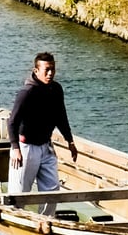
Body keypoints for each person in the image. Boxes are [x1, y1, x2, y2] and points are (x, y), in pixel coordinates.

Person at [7, 52, 79, 196]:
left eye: (53, 69)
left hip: (46, 146)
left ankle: (45, 218)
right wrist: (15, 148)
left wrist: (70, 141)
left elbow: (61, 117)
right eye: (47, 70)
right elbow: (12, 121)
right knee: (19, 193)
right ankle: (16, 216)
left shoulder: (56, 89)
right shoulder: (26, 92)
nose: (50, 73)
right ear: (36, 71)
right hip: (26, 148)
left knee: (52, 191)